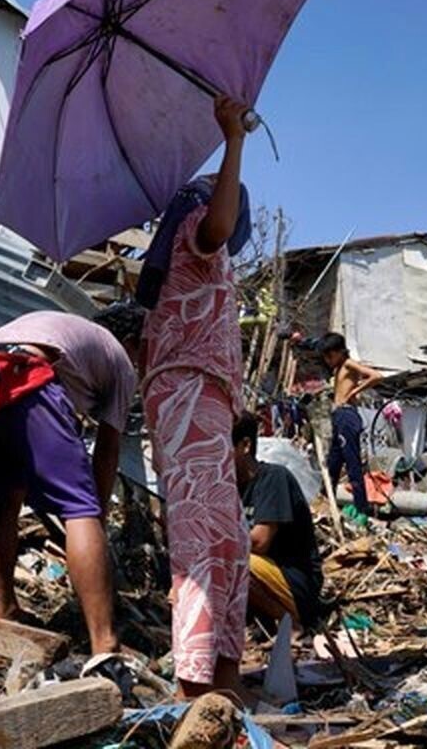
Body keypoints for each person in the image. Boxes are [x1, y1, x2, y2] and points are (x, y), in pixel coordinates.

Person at [140, 94, 253, 701]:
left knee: (226, 537)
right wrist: (233, 138)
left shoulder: (193, 269)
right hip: (187, 398)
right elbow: (218, 223)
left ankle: (225, 677)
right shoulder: (195, 232)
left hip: (200, 399)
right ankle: (194, 682)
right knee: (202, 537)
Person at [0, 307, 142, 659]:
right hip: (22, 374)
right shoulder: (120, 359)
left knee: (5, 498)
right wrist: (94, 516)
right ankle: (105, 642)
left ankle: (4, 608)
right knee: (79, 508)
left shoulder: (60, 326)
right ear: (131, 341)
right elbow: (108, 449)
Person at [232, 412, 323, 631]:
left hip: (295, 585)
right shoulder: (227, 489)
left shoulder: (273, 478)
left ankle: (290, 624)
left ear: (245, 445)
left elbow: (259, 542)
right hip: (264, 583)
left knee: (234, 561)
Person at [320, 333, 382, 516]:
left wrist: (354, 391)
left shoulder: (348, 363)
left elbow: (375, 376)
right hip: (339, 416)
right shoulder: (338, 369)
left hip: (347, 415)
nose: (328, 360)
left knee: (352, 463)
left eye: (330, 356)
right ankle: (325, 502)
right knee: (333, 463)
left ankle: (361, 508)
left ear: (340, 352)